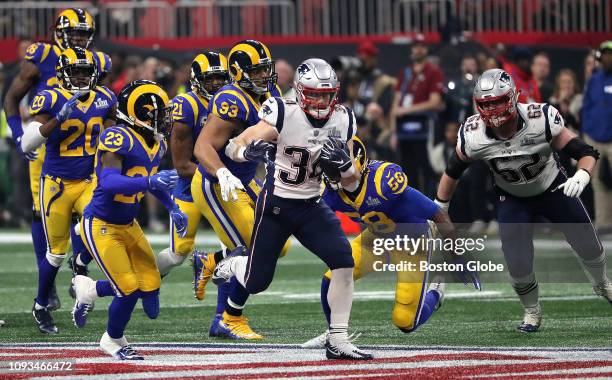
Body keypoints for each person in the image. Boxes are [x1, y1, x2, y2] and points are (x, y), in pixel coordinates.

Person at [213, 58, 372, 360]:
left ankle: (337, 339)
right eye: (314, 93)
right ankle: (234, 264)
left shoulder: (344, 119)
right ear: (300, 91)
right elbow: (234, 144)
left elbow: (352, 181)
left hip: (312, 204)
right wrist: (248, 152)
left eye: (326, 94)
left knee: (343, 261)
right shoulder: (283, 112)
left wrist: (346, 166)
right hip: (277, 204)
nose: (321, 101)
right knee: (258, 282)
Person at [435, 69, 611, 332]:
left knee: (587, 243)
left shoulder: (540, 118)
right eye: (486, 104)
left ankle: (603, 283)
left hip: (553, 187)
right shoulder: (473, 135)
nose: (492, 109)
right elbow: (452, 172)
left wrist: (583, 174)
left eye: (497, 101)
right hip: (513, 197)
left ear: (514, 97)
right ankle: (532, 310)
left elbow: (585, 151)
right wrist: (440, 207)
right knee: (517, 262)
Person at [301, 136, 480, 348]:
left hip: (412, 242)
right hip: (376, 237)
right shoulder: (331, 192)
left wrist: (457, 255)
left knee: (405, 322)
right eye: (329, 170)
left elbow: (437, 214)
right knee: (332, 277)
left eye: (336, 169)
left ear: (356, 162)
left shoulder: (383, 182)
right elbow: (313, 219)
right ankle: (334, 334)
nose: (332, 177)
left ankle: (436, 292)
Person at [71, 80, 187, 360]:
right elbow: (110, 182)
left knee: (151, 289)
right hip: (100, 223)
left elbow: (153, 184)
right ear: (138, 114)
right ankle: (112, 340)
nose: (164, 122)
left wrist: (172, 207)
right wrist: (149, 180)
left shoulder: (155, 144)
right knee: (128, 288)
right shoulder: (117, 137)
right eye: (158, 115)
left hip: (128, 224)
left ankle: (91, 289)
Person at [192, 40, 290, 339]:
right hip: (216, 184)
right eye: (256, 71)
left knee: (279, 245)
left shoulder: (271, 94)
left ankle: (212, 260)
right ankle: (228, 319)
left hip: (245, 180)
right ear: (237, 72)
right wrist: (221, 172)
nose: (264, 77)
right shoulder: (230, 99)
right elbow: (202, 146)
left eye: (265, 70)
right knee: (256, 251)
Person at [3, 8, 99, 312]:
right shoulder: (42, 55)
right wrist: (21, 135)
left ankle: (79, 268)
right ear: (59, 32)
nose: (80, 39)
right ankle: (48, 286)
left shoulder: (96, 62)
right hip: (46, 141)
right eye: (75, 33)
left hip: (81, 142)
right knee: (39, 213)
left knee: (90, 212)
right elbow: (11, 97)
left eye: (85, 34)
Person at [20, 47, 117, 334]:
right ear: (63, 73)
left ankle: (81, 265)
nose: (80, 77)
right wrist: (56, 121)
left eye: (86, 72)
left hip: (88, 181)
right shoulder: (50, 97)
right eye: (75, 72)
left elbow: (112, 132)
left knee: (99, 228)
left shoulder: (105, 98)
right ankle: (40, 305)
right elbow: (27, 145)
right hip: (57, 184)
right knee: (55, 254)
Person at [155, 52, 230, 335]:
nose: (215, 84)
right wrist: (223, 173)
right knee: (177, 254)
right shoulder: (185, 106)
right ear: (197, 80)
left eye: (220, 79)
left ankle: (223, 319)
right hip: (191, 187)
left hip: (223, 184)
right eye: (209, 79)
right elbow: (182, 164)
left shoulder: (232, 102)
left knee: (238, 248)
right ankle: (149, 280)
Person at [390, 35, 444, 194]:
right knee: (406, 169)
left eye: (421, 46)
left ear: (426, 49)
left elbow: (435, 102)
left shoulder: (433, 72)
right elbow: (396, 102)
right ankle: (410, 210)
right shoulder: (405, 73)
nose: (417, 49)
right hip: (404, 131)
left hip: (425, 128)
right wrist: (393, 132)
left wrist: (406, 109)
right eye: (415, 46)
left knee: (427, 168)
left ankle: (430, 208)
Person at [581, 41, 612, 233]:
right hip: (594, 137)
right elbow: (586, 106)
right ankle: (603, 223)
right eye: (605, 54)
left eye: (611, 54)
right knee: (598, 182)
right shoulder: (593, 79)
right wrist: (586, 132)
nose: (608, 58)